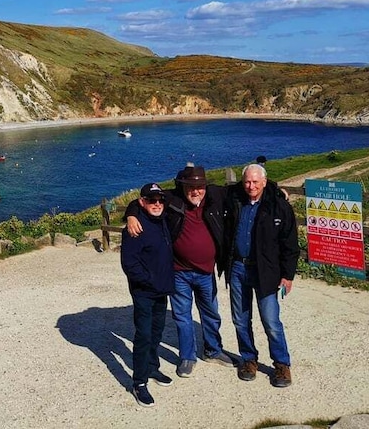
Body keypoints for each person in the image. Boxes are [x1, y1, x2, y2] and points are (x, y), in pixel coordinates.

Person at [125, 165, 233, 379]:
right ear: (182, 186)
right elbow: (144, 199)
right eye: (190, 186)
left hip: (205, 271)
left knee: (211, 313)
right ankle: (187, 357)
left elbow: (247, 188)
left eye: (200, 186)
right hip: (179, 272)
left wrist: (276, 190)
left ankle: (213, 350)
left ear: (205, 186)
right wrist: (131, 214)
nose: (196, 191)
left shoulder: (214, 195)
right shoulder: (172, 198)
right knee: (182, 316)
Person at [224, 163, 299, 388]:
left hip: (265, 271)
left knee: (271, 321)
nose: (251, 186)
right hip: (238, 268)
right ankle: (248, 359)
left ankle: (282, 364)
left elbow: (290, 243)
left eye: (256, 182)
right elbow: (208, 191)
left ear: (264, 182)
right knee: (240, 319)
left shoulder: (278, 205)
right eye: (247, 181)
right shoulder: (235, 199)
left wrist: (288, 275)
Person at [120, 183, 174, 407]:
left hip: (162, 290)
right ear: (142, 202)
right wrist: (150, 281)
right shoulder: (134, 228)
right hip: (144, 292)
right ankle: (139, 382)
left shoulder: (163, 220)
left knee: (157, 330)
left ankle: (152, 368)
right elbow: (129, 264)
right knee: (143, 335)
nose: (157, 204)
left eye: (160, 200)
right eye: (151, 200)